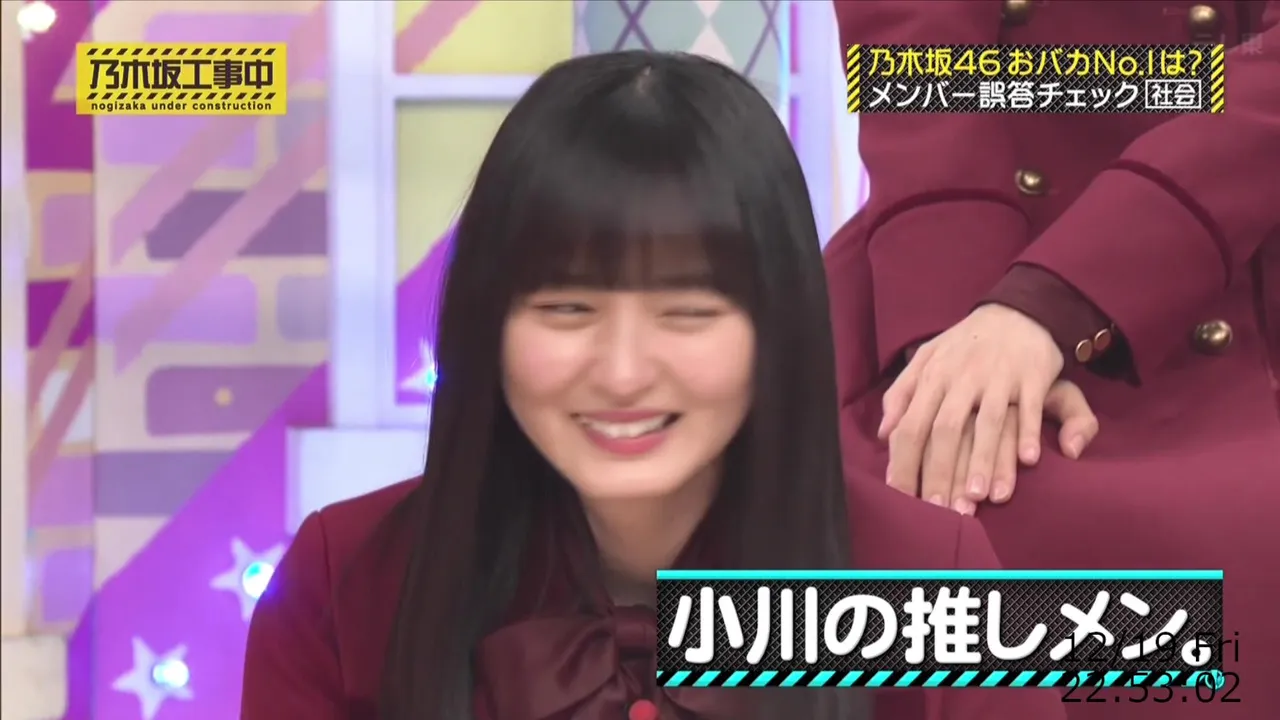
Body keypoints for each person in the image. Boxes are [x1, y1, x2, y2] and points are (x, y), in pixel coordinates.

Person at [242, 51, 1071, 720]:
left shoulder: (936, 578)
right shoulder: (341, 581)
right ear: (486, 319)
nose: (624, 372)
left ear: (777, 325)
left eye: (688, 311)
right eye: (567, 308)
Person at [827, 1, 1280, 718]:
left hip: (1245, 216)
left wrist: (1058, 300)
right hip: (963, 247)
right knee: (835, 534)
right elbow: (915, 41)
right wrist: (958, 323)